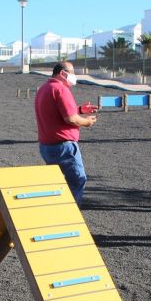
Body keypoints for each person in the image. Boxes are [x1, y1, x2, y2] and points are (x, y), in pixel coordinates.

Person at [34, 61, 97, 206]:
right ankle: (71, 214)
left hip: (46, 146)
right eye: (72, 72)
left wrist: (80, 110)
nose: (74, 75)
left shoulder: (44, 88)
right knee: (77, 179)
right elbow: (70, 118)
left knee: (58, 182)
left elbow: (56, 112)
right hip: (63, 146)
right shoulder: (61, 89)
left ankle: (58, 210)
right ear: (63, 73)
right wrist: (86, 121)